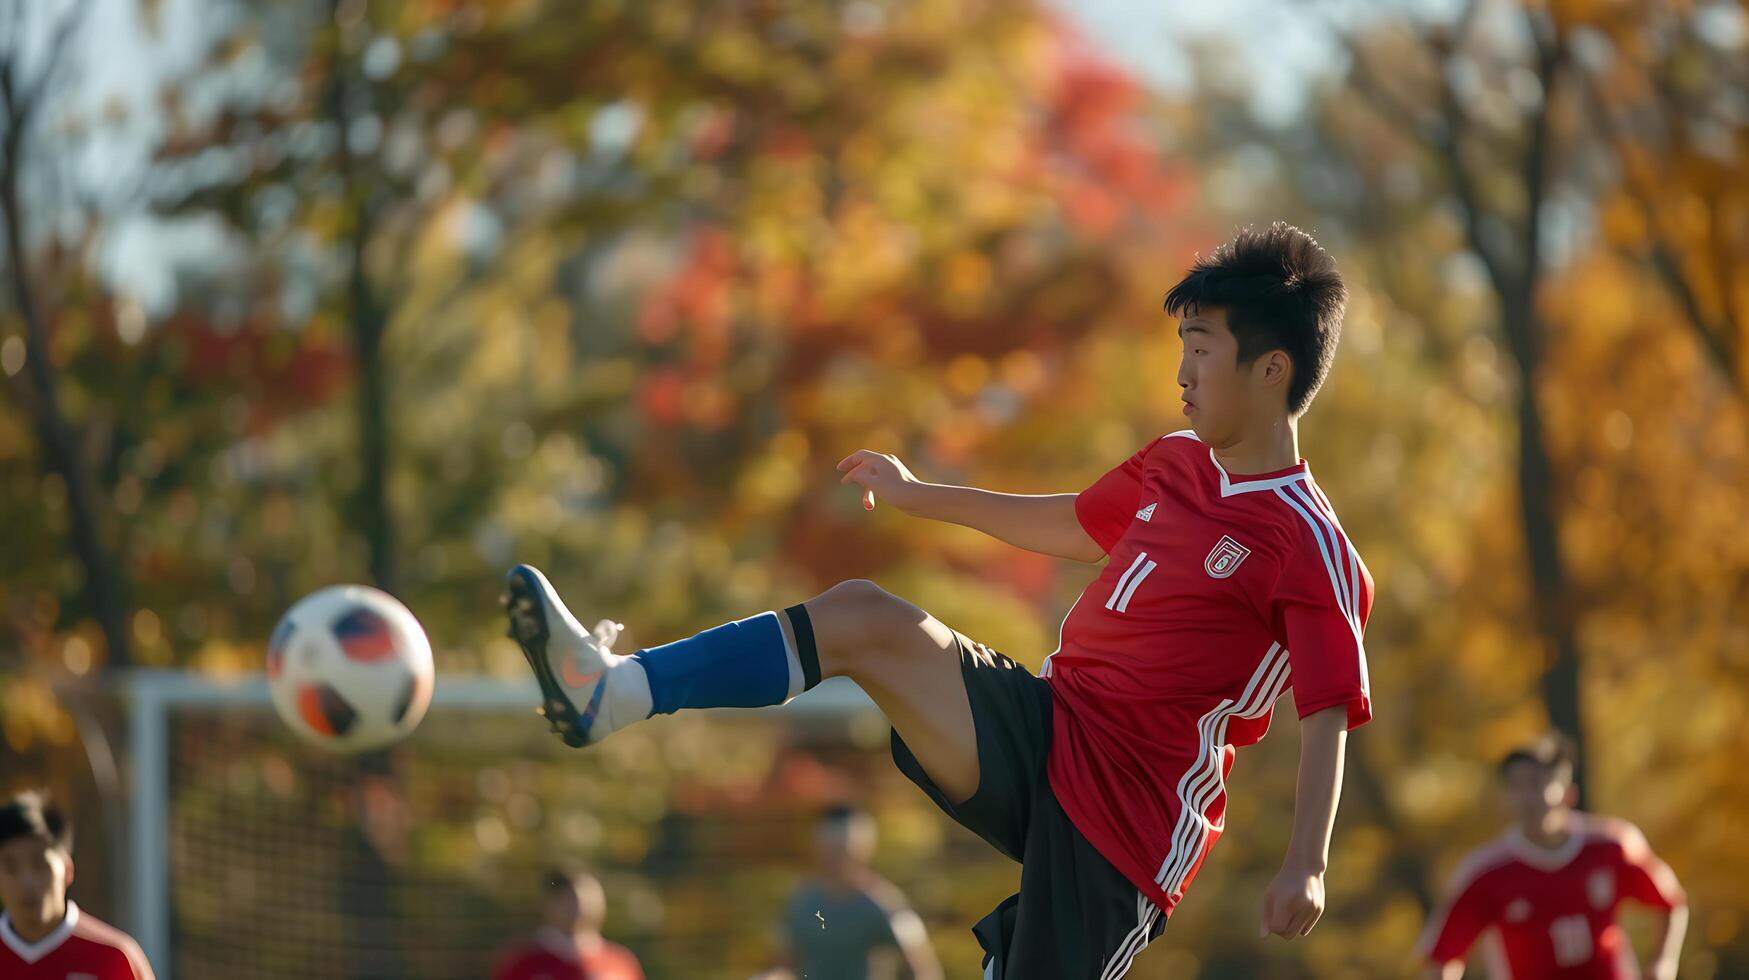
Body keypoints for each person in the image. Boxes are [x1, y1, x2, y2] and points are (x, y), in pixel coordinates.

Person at [504, 223, 1372, 978]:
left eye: (1200, 349)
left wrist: (1306, 863)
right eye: (1179, 346)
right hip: (1045, 722)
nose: (1180, 372)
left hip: (1125, 826)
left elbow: (1327, 710)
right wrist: (923, 495)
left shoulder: (1311, 546)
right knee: (863, 616)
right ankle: (611, 689)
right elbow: (1074, 523)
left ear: (1269, 369)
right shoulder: (1173, 461)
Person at [1419, 735, 1687, 980]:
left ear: (1568, 793)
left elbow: (1671, 901)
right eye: (1516, 786)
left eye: (1536, 783)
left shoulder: (1610, 846)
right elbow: (1445, 956)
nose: (1526, 797)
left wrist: (1663, 963)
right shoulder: (1486, 872)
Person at [770, 804, 941, 980]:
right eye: (831, 848)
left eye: (844, 848)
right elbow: (785, 964)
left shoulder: (884, 903)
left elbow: (924, 969)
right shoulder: (803, 901)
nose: (838, 857)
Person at [0, 790, 155, 979]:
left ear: (67, 869)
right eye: (11, 867)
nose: (26, 881)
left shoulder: (115, 957)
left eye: (39, 864)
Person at [491, 866, 645, 980]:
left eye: (592, 901)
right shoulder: (524, 964)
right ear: (549, 904)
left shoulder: (621, 962)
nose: (584, 909)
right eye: (573, 901)